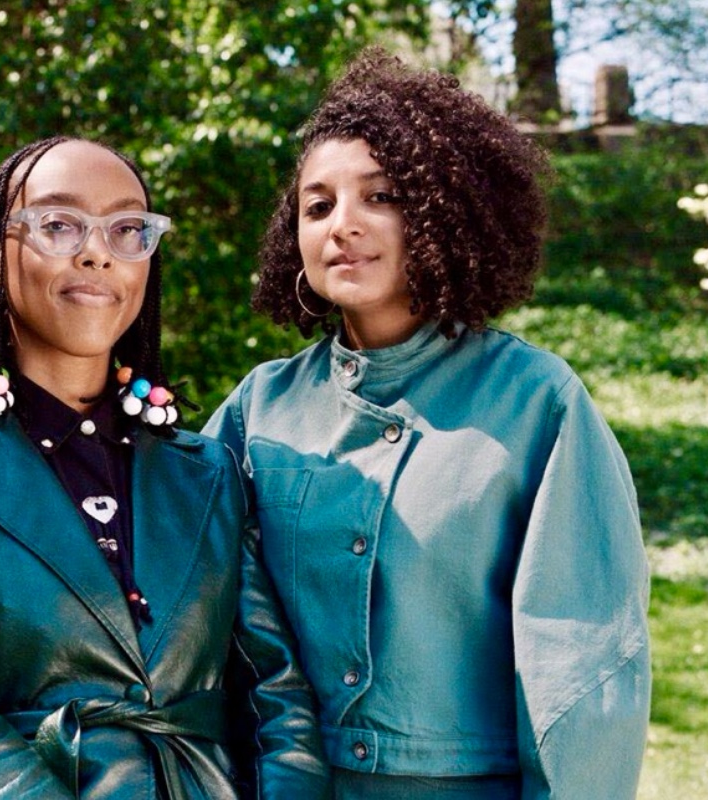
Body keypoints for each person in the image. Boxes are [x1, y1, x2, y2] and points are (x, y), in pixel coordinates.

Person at [203, 49, 650, 799]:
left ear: (443, 210)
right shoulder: (259, 406)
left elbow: (582, 667)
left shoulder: (538, 403)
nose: (342, 225)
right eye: (317, 206)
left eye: (380, 197)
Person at [0, 137, 329, 799]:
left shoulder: (206, 471)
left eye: (129, 229)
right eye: (58, 224)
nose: (97, 251)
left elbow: (278, 697)